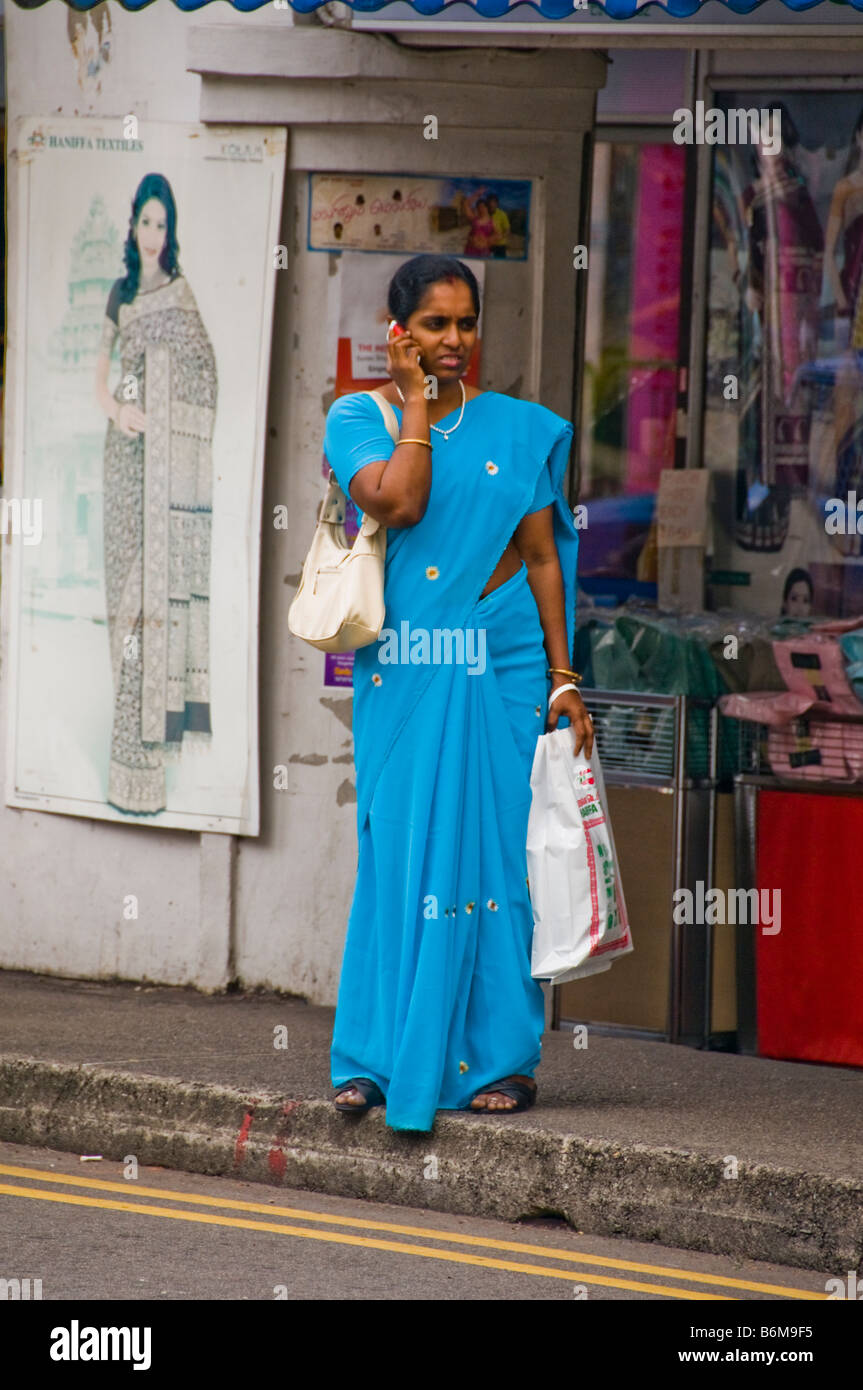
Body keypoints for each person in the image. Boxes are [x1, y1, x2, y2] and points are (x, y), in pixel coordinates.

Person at [322, 253, 593, 1133]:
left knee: (493, 866)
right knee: (396, 856)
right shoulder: (358, 417)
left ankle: (503, 1058)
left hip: (503, 664)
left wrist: (563, 676)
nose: (454, 341)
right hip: (406, 666)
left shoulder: (515, 431)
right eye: (435, 325)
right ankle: (372, 1057)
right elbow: (397, 505)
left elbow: (544, 555)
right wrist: (412, 405)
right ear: (397, 332)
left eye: (466, 324)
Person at [94, 173, 217, 815]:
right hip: (124, 467)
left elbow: (205, 372)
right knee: (123, 608)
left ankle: (143, 766)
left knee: (151, 609)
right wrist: (120, 413)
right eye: (144, 221)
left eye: (162, 224)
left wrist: (165, 413)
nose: (152, 233)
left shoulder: (180, 295)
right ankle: (126, 752)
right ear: (133, 226)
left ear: (170, 232)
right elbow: (100, 382)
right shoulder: (121, 294)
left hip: (168, 478)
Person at [487, 193, 511, 259]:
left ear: (497, 204)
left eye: (493, 203)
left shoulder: (502, 214)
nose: (491, 206)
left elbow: (507, 230)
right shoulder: (484, 213)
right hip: (487, 245)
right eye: (489, 204)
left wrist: (501, 237)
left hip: (500, 245)